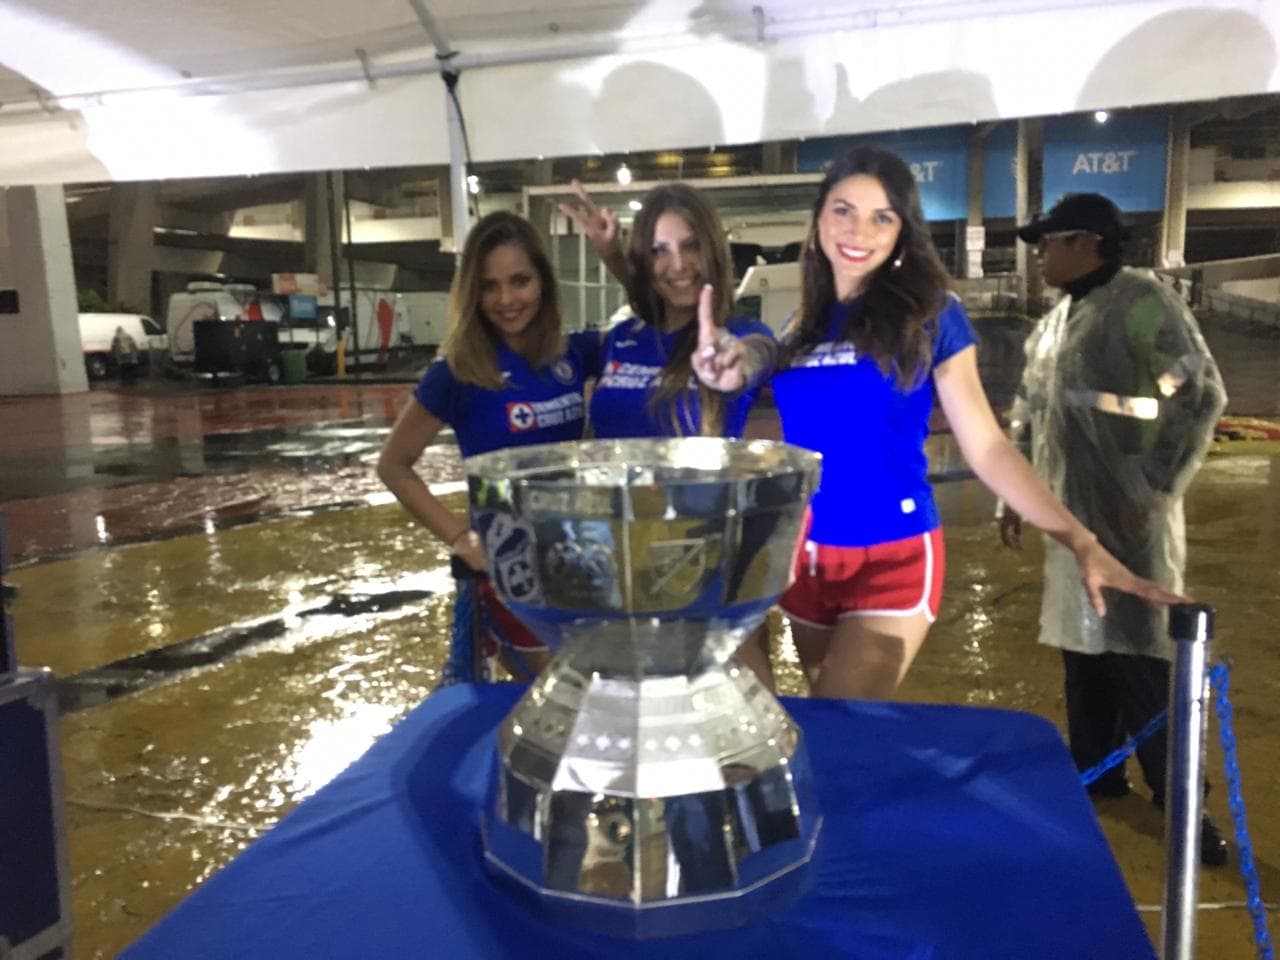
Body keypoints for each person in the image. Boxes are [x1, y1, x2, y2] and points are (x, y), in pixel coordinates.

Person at [701, 145, 1181, 702]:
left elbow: (987, 448)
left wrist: (1080, 540)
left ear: (903, 231)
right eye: (843, 210)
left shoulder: (930, 315)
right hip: (806, 557)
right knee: (827, 717)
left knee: (838, 722)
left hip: (893, 554)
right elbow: (757, 362)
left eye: (883, 216)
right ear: (818, 220)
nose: (860, 229)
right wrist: (738, 361)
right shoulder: (799, 323)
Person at [1004, 192, 1228, 865]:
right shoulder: (1056, 320)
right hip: (1071, 517)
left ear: (1087, 243)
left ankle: (1182, 802)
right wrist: (1013, 496)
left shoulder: (1141, 303)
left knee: (1141, 660)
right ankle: (1098, 773)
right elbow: (1029, 409)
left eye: (1050, 242)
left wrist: (1153, 488)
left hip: (1130, 523)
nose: (1040, 254)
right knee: (1085, 651)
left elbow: (1199, 394)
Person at [377, 211, 600, 679]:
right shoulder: (458, 369)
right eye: (489, 286)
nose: (506, 300)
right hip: (512, 573)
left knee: (591, 700)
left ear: (543, 280)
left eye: (519, 281)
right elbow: (394, 465)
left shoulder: (575, 353)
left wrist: (615, 253)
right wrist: (460, 537)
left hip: (580, 561)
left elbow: (655, 326)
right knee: (566, 700)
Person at [558, 180, 775, 438]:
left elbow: (759, 353)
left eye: (692, 245)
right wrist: (612, 255)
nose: (679, 264)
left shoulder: (742, 333)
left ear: (712, 250)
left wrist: (734, 366)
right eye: (659, 250)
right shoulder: (622, 336)